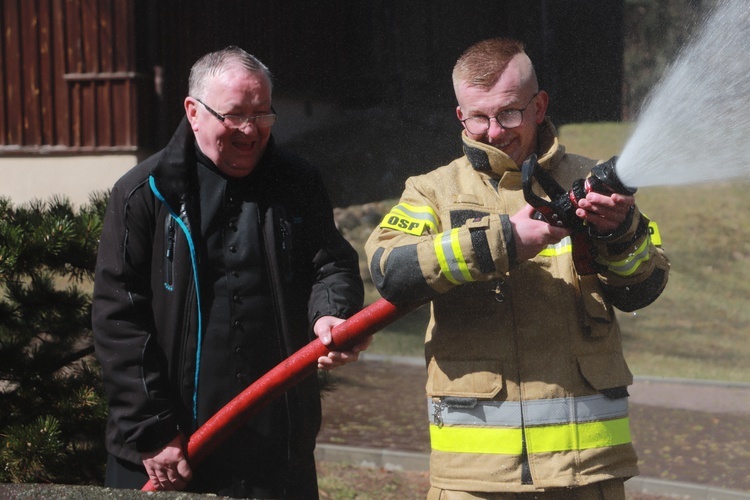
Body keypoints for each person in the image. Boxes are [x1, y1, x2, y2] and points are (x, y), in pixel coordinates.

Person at [365, 38, 670, 499]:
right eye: (478, 117)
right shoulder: (432, 192)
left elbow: (644, 287)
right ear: (459, 115)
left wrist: (622, 232)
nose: (493, 132)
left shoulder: (594, 186)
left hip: (587, 471)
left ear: (539, 105)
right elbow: (390, 269)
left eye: (509, 113)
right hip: (476, 477)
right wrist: (504, 240)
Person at [92, 46, 366, 498]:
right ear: (193, 111)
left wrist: (330, 313)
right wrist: (152, 431)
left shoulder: (298, 183)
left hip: (276, 454)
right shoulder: (143, 193)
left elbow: (330, 264)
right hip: (172, 451)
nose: (249, 130)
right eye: (234, 114)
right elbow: (118, 319)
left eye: (262, 114)